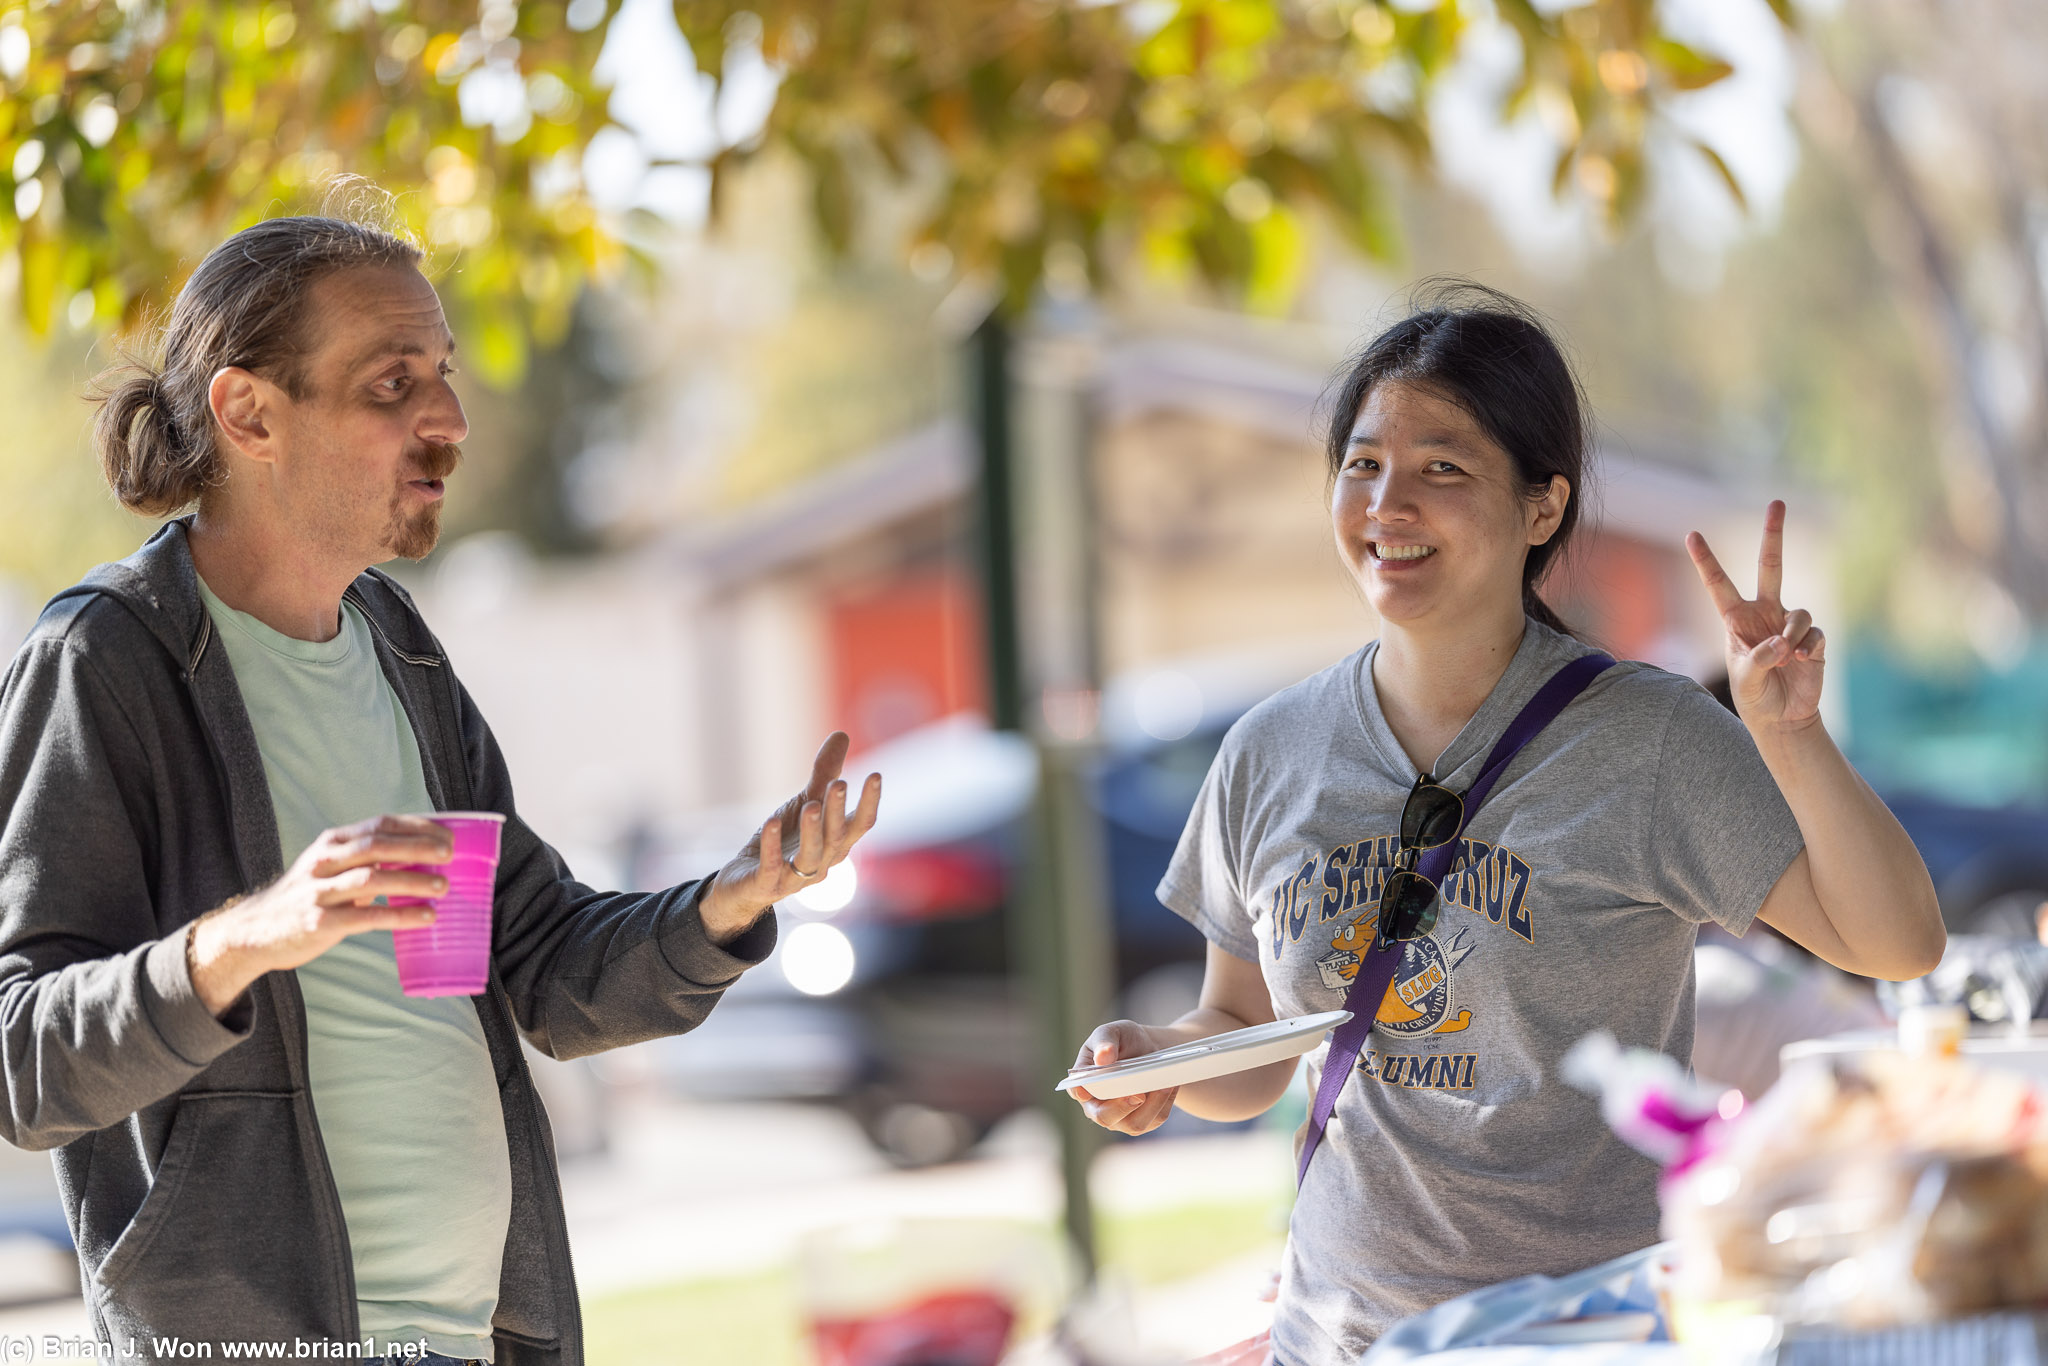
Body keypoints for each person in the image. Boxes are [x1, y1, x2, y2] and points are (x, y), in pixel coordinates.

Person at [0, 205, 881, 1366]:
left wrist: (724, 902)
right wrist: (253, 935)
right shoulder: (107, 658)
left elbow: (540, 968)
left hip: (476, 1338)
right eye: (390, 384)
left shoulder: (397, 648)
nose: (449, 422)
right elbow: (28, 1060)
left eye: (444, 377)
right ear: (249, 411)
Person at [1069, 284, 1943, 1364]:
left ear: (1541, 507)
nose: (1388, 502)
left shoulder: (1644, 737)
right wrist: (1155, 1060)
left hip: (1579, 1336)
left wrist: (1791, 736)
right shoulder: (1266, 750)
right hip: (1335, 1336)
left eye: (1442, 467)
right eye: (1362, 463)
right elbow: (1241, 1041)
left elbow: (1897, 942)